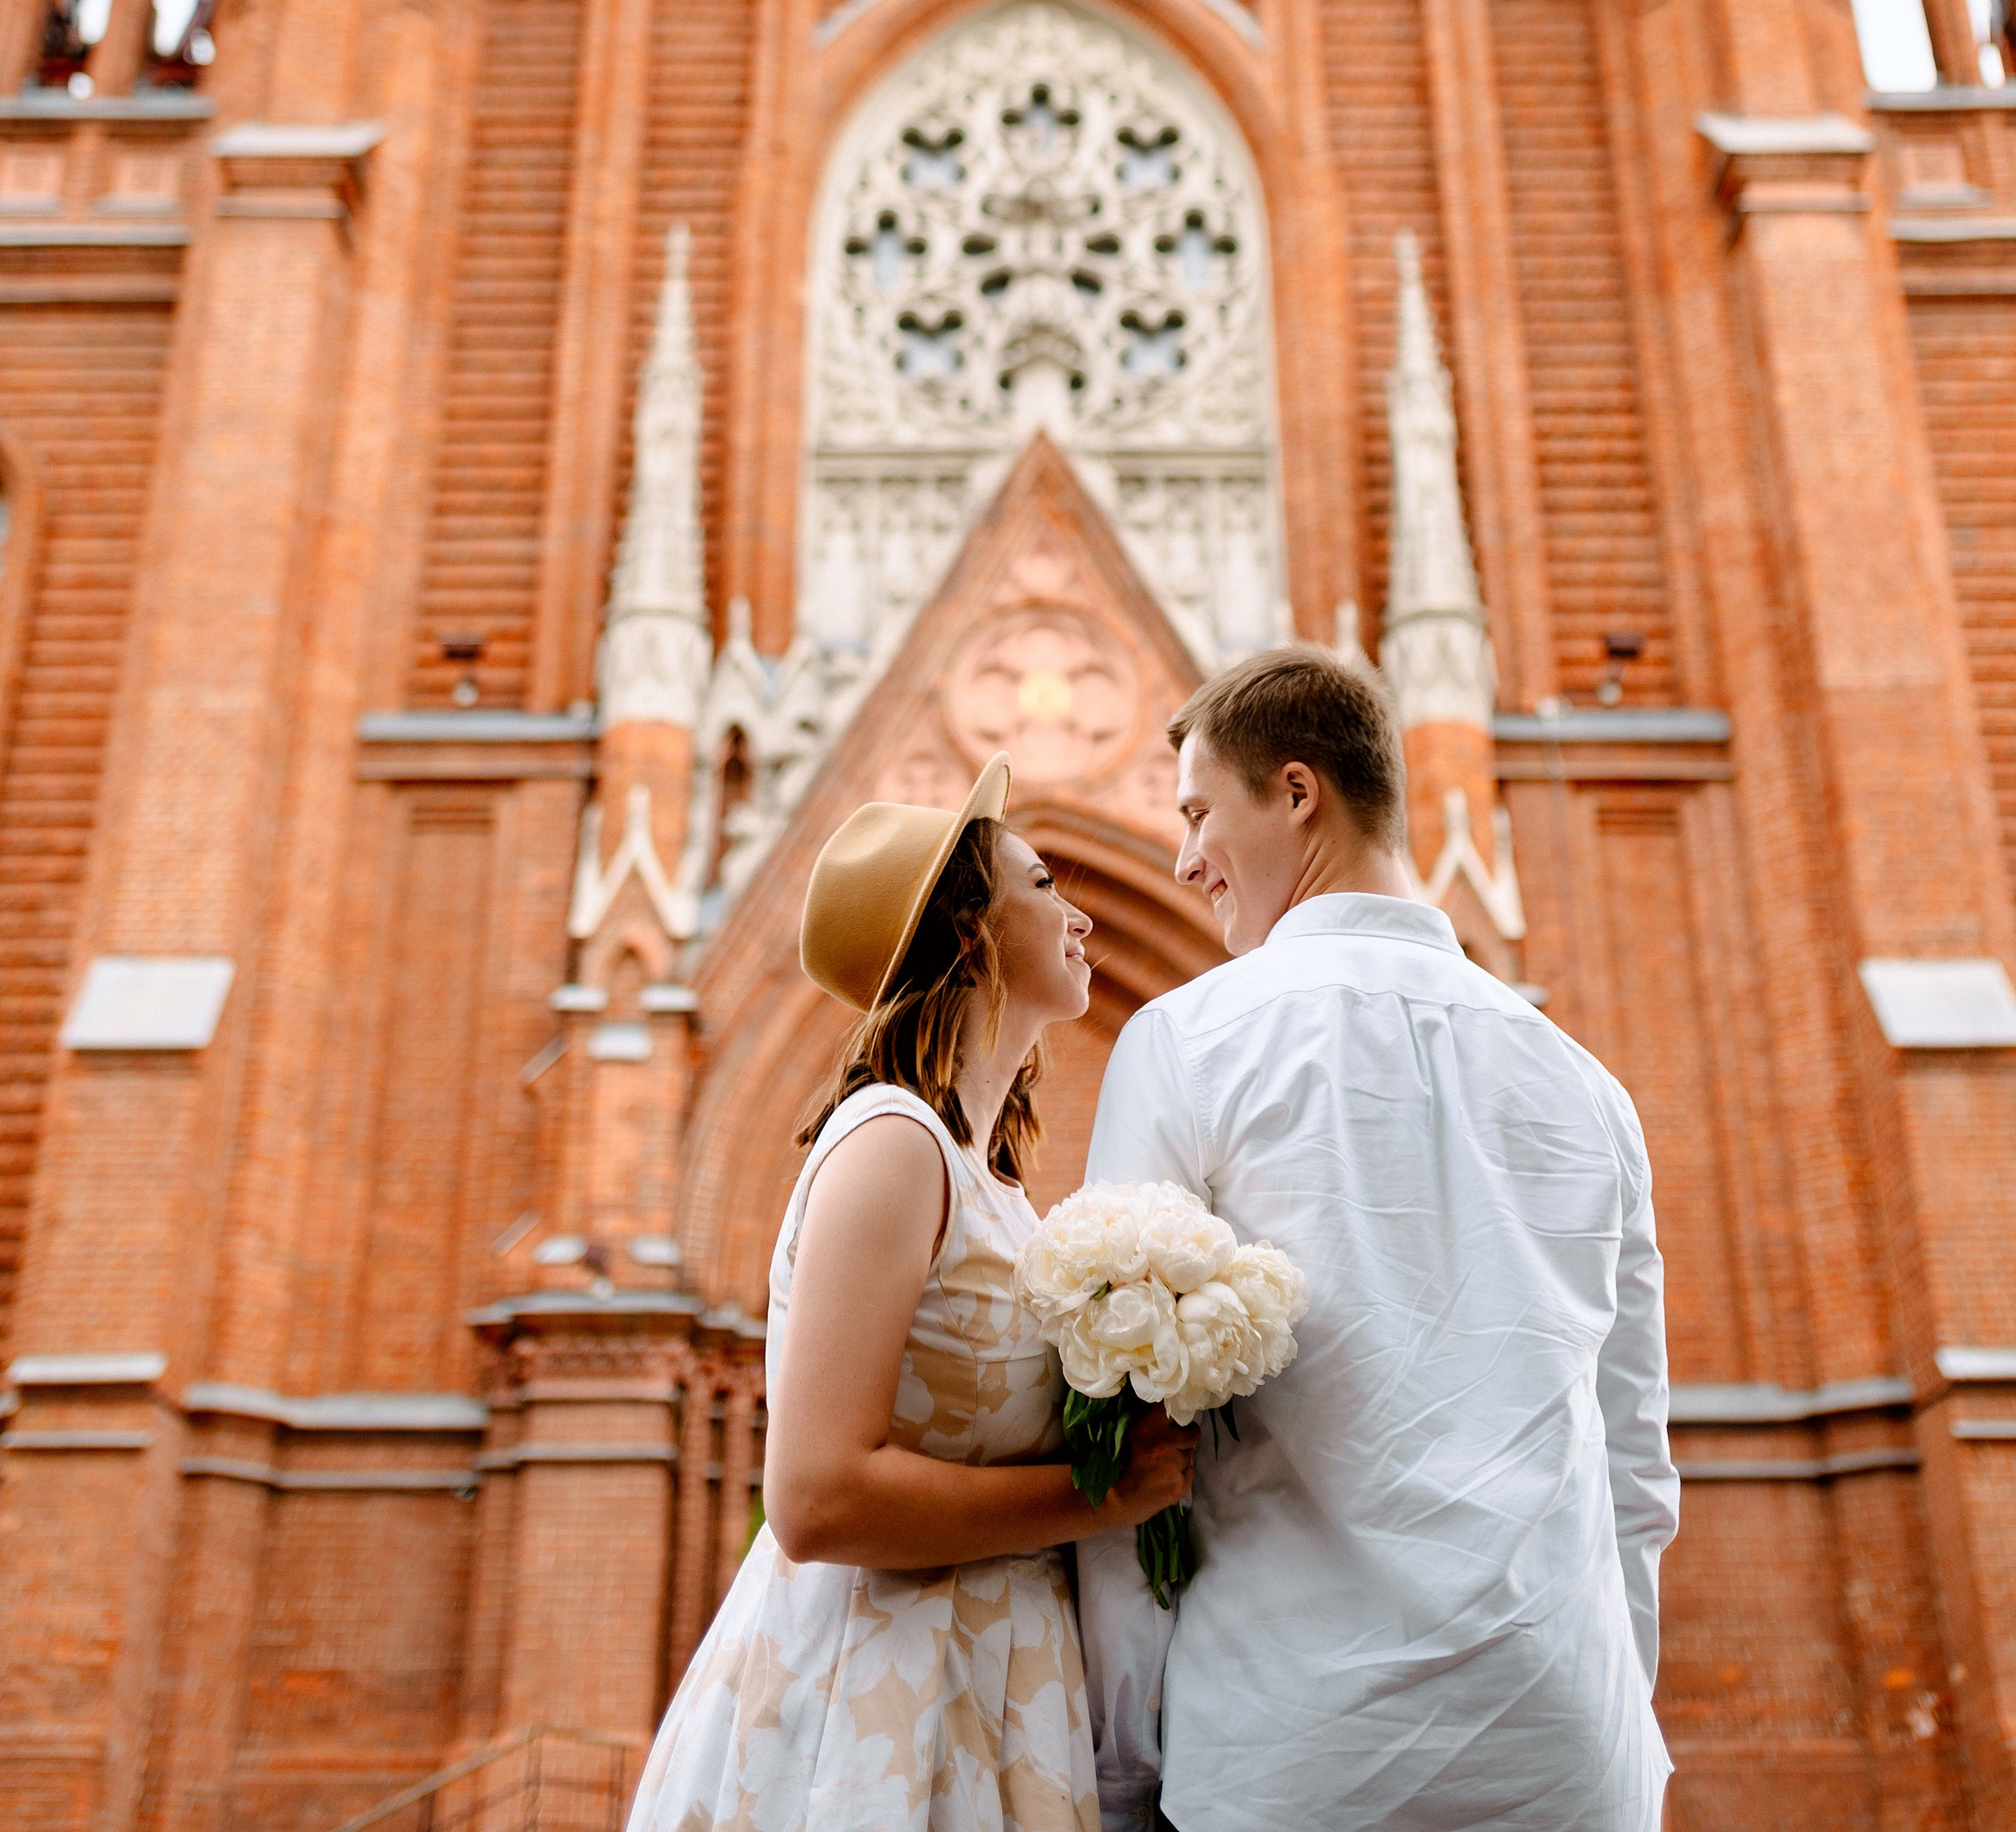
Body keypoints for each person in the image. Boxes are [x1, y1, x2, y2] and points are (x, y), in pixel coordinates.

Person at [1077, 648, 1679, 1832]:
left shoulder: (1190, 1041)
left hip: (1292, 1738)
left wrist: (1124, 1753)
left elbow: (1130, 1425)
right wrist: (1606, 1703)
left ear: (1298, 793)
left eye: (1200, 813)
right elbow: (1634, 1466)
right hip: (1566, 1745)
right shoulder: (1589, 1087)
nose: (1186, 859)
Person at [628, 753, 1196, 1832]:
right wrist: (1102, 1498)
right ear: (971, 934)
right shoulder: (893, 1145)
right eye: (1042, 886)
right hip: (877, 1696)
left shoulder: (985, 1176)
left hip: (995, 1681)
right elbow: (814, 1498)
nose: (1079, 917)